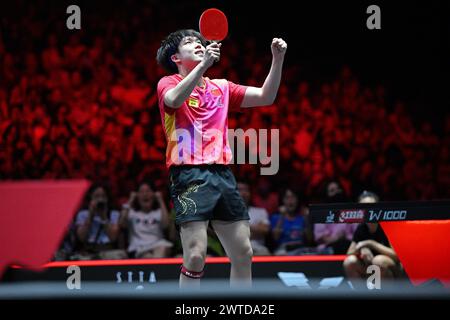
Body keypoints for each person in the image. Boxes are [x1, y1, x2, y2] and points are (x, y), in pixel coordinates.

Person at [156, 29, 287, 287]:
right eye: (189, 42)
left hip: (222, 175)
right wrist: (204, 65)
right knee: (194, 256)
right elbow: (173, 99)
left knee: (243, 253)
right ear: (175, 59)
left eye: (199, 41)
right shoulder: (168, 83)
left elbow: (266, 96)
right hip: (189, 175)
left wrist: (277, 59)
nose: (197, 44)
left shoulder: (222, 88)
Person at [343, 191, 402, 289]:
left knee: (378, 261)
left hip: (393, 269)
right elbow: (349, 254)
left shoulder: (387, 225)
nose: (368, 209)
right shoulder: (361, 228)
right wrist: (362, 249)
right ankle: (363, 295)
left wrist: (370, 243)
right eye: (364, 206)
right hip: (372, 269)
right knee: (349, 262)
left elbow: (396, 256)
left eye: (371, 205)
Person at [119, 180, 173, 258]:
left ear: (154, 194)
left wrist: (160, 200)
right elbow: (122, 224)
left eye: (148, 191)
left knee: (163, 248)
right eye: (141, 192)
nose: (145, 194)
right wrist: (131, 200)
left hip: (157, 245)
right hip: (138, 249)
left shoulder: (158, 212)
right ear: (137, 195)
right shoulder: (131, 212)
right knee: (148, 257)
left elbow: (166, 225)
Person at [74, 182, 126, 260]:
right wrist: (90, 216)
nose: (100, 200)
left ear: (107, 199)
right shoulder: (83, 214)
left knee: (119, 256)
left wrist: (104, 217)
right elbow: (81, 237)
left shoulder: (114, 214)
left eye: (103, 196)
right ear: (91, 198)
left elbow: (113, 237)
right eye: (96, 196)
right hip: (89, 251)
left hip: (108, 250)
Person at [270, 188, 313, 255]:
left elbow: (309, 239)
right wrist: (282, 216)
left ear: (297, 200)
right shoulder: (276, 217)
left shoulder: (303, 218)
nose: (290, 201)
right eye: (287, 198)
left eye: (293, 197)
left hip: (300, 249)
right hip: (283, 250)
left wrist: (306, 218)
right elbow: (276, 237)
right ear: (283, 201)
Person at [237, 181, 271, 255]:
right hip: (236, 249)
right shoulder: (228, 213)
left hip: (258, 249)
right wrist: (255, 228)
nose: (243, 193)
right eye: (240, 190)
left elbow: (264, 230)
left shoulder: (260, 211)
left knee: (265, 253)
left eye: (246, 190)